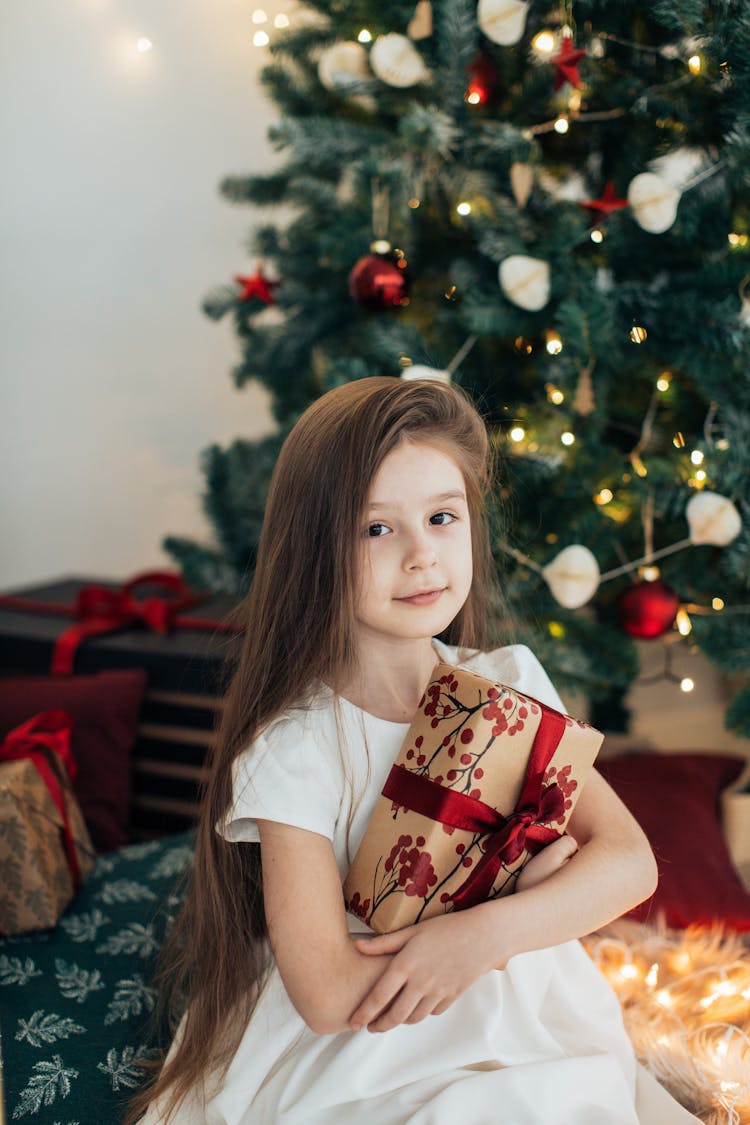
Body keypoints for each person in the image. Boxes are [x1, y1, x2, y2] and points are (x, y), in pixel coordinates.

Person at [133, 376, 699, 1124]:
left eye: (441, 517)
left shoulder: (509, 682)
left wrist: (487, 932)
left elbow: (629, 862)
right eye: (377, 528)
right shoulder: (298, 746)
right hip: (372, 1048)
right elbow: (332, 993)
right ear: (315, 549)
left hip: (525, 1017)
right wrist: (521, 902)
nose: (421, 555)